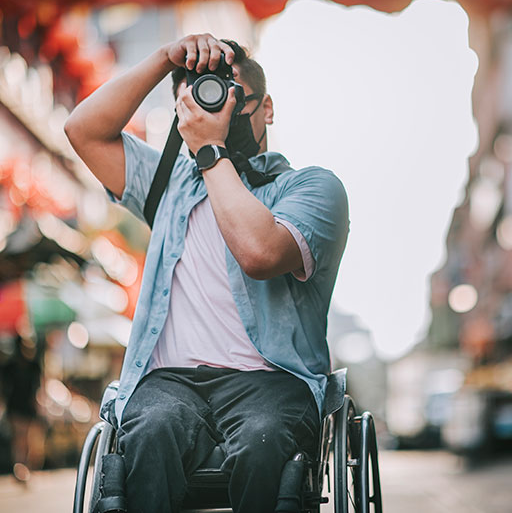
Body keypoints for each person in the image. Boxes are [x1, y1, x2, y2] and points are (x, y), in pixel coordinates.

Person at [64, 33, 349, 513]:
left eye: (232, 93)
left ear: (268, 108)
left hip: (272, 381)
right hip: (170, 381)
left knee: (264, 444)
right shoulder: (170, 185)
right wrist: (164, 58)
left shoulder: (314, 189)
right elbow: (83, 130)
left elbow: (258, 253)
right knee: (148, 434)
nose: (221, 107)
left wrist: (210, 152)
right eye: (206, 93)